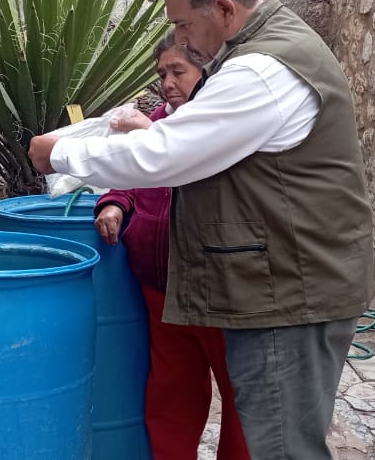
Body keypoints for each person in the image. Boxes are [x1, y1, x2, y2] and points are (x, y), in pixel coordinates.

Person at [29, 0, 375, 460]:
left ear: (224, 10)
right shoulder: (265, 52)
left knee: (280, 447)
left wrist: (60, 154)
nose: (181, 39)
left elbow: (167, 153)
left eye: (184, 25)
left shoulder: (261, 71)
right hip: (284, 283)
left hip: (290, 292)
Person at [94, 34, 251, 460]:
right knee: (171, 390)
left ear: (207, 74)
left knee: (240, 393)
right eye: (161, 73)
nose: (166, 83)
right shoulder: (156, 123)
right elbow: (130, 176)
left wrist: (151, 134)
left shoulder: (222, 129)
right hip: (160, 287)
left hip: (215, 290)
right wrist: (114, 203)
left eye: (178, 71)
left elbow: (196, 169)